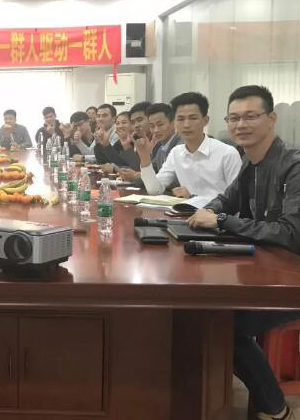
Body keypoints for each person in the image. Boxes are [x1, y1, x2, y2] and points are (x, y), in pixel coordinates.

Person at [188, 85, 300, 420]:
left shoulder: (292, 166)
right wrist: (206, 211)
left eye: (250, 116)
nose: (241, 125)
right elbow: (227, 199)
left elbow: (290, 233)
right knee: (205, 311)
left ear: (271, 119)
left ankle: (276, 410)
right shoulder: (251, 163)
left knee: (224, 324)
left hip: (292, 280)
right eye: (234, 118)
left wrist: (222, 220)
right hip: (269, 270)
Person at [135, 92, 242, 201]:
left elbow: (237, 200)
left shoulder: (227, 153)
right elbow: (154, 190)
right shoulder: (176, 153)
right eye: (181, 119)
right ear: (175, 122)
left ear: (205, 121)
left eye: (193, 118)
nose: (186, 125)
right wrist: (144, 158)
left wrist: (193, 198)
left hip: (216, 212)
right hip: (184, 210)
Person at [119, 102, 183, 185]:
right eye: (152, 126)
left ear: (173, 123)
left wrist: (136, 176)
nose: (156, 130)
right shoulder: (161, 149)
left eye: (160, 125)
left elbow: (172, 182)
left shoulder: (181, 145)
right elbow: (149, 172)